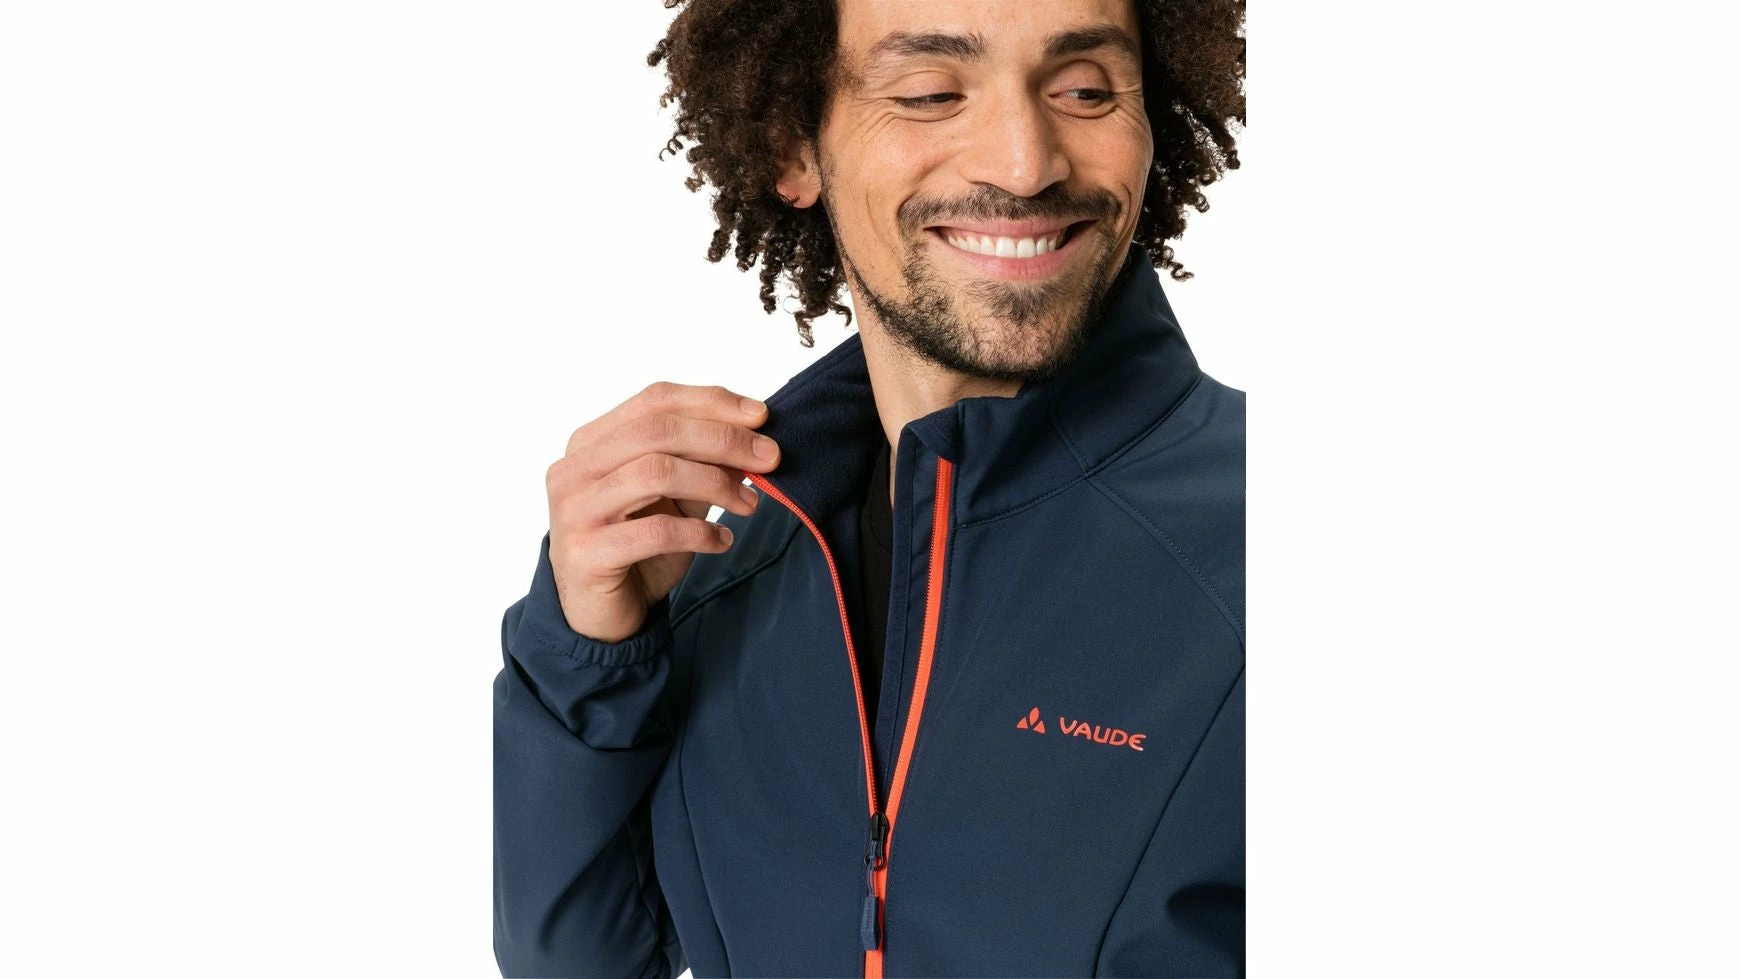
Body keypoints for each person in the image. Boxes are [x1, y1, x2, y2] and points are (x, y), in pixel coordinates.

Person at [493, 0, 1245, 975]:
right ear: (793, 145)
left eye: (1083, 90)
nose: (1025, 163)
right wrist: (587, 660)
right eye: (931, 93)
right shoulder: (736, 560)